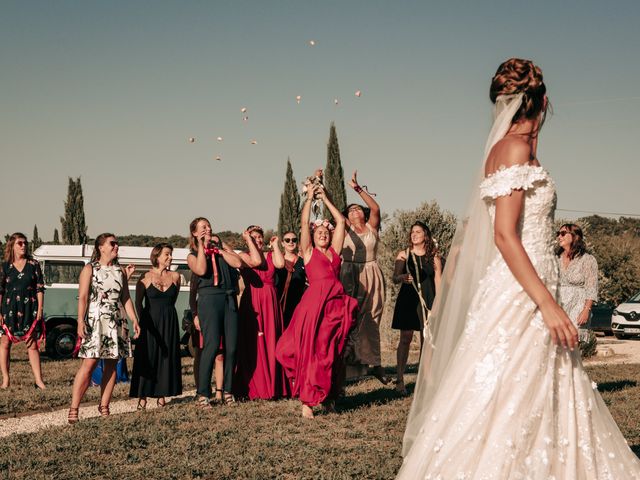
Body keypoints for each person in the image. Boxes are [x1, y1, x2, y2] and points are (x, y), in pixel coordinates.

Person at [398, 58, 640, 478]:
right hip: (521, 292)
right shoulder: (513, 149)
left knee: (534, 385)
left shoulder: (513, 150)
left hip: (526, 283)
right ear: (543, 102)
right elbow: (505, 236)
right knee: (509, 386)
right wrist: (547, 303)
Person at [276, 180, 357, 418]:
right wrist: (310, 199)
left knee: (332, 351)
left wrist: (325, 198)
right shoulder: (309, 253)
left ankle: (330, 397)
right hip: (315, 306)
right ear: (313, 236)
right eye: (318, 232)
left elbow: (341, 221)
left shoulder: (335, 252)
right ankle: (308, 401)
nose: (322, 233)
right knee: (314, 351)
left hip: (335, 306)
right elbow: (303, 223)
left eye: (325, 232)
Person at [68, 233, 140, 423]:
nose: (116, 246)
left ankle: (105, 405)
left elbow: (125, 298)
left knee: (112, 364)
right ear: (101, 247)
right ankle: (74, 407)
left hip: (115, 320)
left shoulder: (120, 271)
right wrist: (80, 321)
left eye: (117, 243)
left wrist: (134, 320)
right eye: (112, 243)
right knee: (89, 364)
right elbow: (83, 297)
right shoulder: (90, 269)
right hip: (95, 319)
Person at [187, 218, 242, 408]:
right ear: (194, 233)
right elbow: (201, 269)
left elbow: (238, 263)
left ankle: (228, 390)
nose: (207, 229)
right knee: (210, 347)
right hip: (209, 299)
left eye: (208, 226)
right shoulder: (192, 255)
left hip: (228, 298)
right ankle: (203, 393)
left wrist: (219, 248)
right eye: (203, 227)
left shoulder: (221, 251)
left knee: (232, 347)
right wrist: (203, 246)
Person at [340, 171, 387, 383]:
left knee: (372, 318)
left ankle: (375, 363)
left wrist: (358, 189)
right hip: (350, 275)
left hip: (372, 273)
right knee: (351, 318)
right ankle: (348, 366)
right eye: (350, 210)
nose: (354, 211)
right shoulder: (345, 229)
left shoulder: (371, 227)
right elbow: (336, 213)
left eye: (357, 208)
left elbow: (376, 208)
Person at [234, 226, 289, 400]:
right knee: (254, 342)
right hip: (253, 301)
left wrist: (275, 246)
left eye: (259, 237)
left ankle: (274, 386)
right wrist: (249, 240)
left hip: (271, 301)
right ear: (248, 240)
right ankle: (256, 387)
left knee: (272, 340)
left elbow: (280, 265)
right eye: (254, 237)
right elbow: (255, 262)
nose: (258, 239)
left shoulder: (270, 255)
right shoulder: (244, 255)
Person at [130, 243, 183, 409]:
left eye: (171, 254)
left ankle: (162, 395)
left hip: (169, 321)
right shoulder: (144, 277)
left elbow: (172, 300)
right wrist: (140, 322)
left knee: (166, 358)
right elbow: (138, 303)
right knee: (148, 357)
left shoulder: (176, 277)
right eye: (167, 254)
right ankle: (143, 397)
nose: (170, 257)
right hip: (149, 322)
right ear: (157, 256)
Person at [391, 221, 441, 395]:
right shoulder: (404, 255)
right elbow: (394, 278)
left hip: (428, 299)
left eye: (418, 232)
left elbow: (438, 281)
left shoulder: (433, 256)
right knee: (405, 337)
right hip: (408, 298)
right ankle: (400, 379)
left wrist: (439, 304)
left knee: (426, 341)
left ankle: (424, 380)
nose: (414, 234)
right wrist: (402, 276)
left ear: (425, 235)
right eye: (412, 232)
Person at [0, 233, 46, 389]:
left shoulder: (34, 264)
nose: (23, 246)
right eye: (20, 243)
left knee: (32, 344)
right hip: (8, 308)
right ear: (12, 245)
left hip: (29, 307)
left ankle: (39, 380)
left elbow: (40, 288)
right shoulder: (5, 266)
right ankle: (6, 380)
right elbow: (0, 290)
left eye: (25, 243)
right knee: (5, 343)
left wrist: (40, 308)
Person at [189, 235, 224, 401]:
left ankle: (219, 391)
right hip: (204, 310)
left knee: (220, 353)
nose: (214, 245)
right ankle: (202, 390)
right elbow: (192, 294)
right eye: (212, 243)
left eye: (217, 243)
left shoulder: (220, 262)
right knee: (204, 351)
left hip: (220, 309)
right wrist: (195, 315)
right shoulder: (197, 262)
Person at [556, 223, 599, 337]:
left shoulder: (587, 260)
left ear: (575, 236)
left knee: (573, 345)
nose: (559, 237)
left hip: (578, 307)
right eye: (558, 234)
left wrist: (586, 310)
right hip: (558, 306)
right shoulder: (555, 258)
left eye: (563, 233)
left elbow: (591, 287)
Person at [275, 231, 307, 329]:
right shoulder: (276, 261)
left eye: (294, 240)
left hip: (298, 305)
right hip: (279, 304)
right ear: (282, 243)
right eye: (287, 240)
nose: (291, 242)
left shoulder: (303, 262)